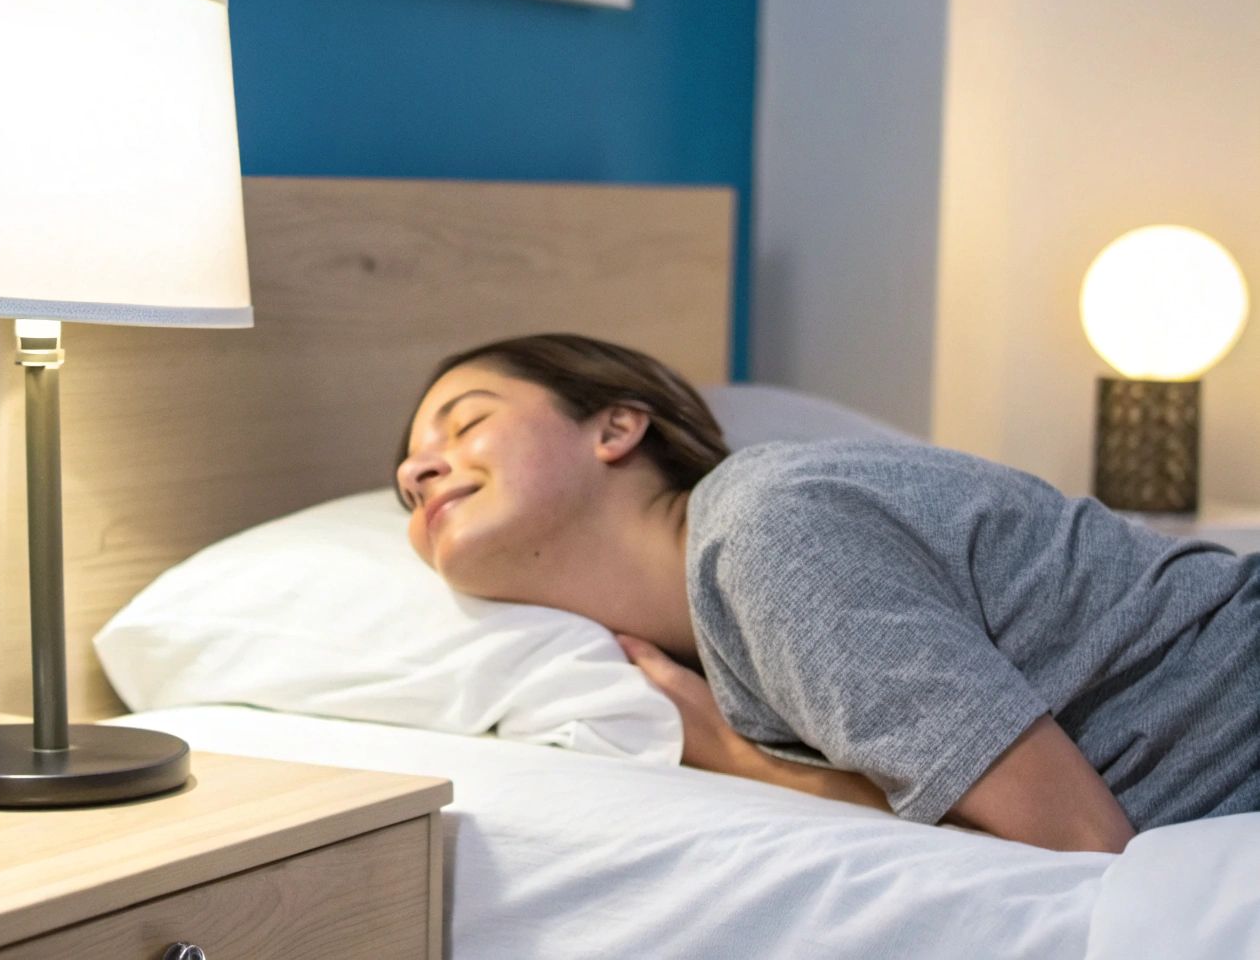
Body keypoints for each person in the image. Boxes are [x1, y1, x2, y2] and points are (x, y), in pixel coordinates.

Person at [392, 332, 1260, 854]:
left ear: (616, 427)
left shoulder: (768, 538)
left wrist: (737, 760)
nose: (416, 468)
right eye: (404, 486)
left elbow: (1078, 841)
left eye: (467, 422)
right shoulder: (737, 596)